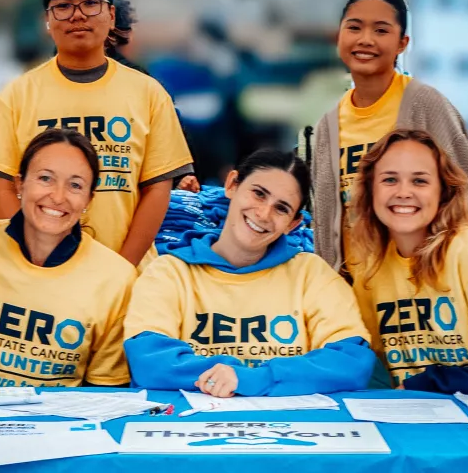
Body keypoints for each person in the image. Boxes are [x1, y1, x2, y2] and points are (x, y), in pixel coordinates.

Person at [0, 0, 193, 267]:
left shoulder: (148, 93)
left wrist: (122, 268)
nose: (77, 15)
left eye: (91, 4)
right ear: (47, 20)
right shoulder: (17, 95)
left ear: (111, 15)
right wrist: (33, 259)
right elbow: (0, 183)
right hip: (39, 274)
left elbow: (157, 188)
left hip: (125, 274)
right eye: (63, 6)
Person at [124, 148, 374, 397]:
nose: (263, 214)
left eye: (282, 208)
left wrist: (250, 377)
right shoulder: (169, 272)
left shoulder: (312, 274)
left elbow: (352, 361)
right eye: (258, 194)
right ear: (232, 184)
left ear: (293, 224)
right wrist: (232, 377)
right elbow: (149, 361)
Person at [0, 129, 136, 387]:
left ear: (89, 199)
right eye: (45, 178)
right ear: (20, 184)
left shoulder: (117, 278)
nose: (58, 196)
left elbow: (105, 389)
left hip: (51, 422)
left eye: (75, 185)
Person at [311, 0, 468, 273]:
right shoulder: (328, 126)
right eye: (354, 27)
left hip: (426, 290)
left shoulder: (426, 106)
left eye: (381, 30)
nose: (365, 40)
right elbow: (325, 223)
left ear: (402, 43)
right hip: (359, 297)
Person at [350, 129, 468, 394]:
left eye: (419, 181)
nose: (403, 192)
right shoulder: (368, 268)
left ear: (443, 192)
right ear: (370, 190)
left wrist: (425, 383)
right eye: (390, 179)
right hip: (415, 419)